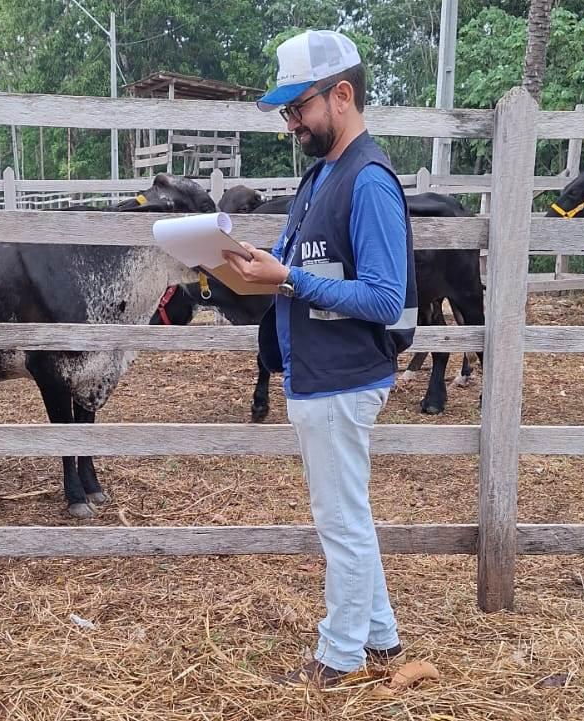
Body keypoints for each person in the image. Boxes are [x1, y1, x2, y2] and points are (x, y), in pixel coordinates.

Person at [222, 29, 418, 688]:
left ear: (341, 95)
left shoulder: (368, 181)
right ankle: (380, 638)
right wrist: (247, 262)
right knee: (347, 515)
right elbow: (292, 264)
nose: (291, 124)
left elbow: (385, 297)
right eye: (286, 111)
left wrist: (288, 279)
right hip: (318, 373)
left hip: (342, 376)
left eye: (298, 107)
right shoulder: (320, 175)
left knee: (339, 523)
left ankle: (338, 657)